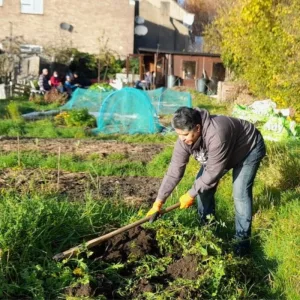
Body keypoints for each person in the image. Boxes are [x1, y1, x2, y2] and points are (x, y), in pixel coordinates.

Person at [147, 107, 266, 256]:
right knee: (202, 188)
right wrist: (159, 202)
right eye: (178, 135)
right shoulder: (183, 140)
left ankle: (241, 244)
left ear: (197, 128)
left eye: (185, 134)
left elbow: (213, 172)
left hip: (248, 148)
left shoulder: (216, 133)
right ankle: (208, 231)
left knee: (240, 193)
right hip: (222, 154)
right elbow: (174, 171)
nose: (182, 139)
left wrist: (190, 194)